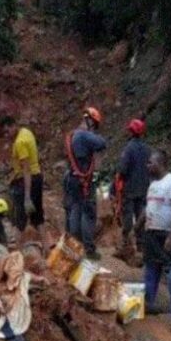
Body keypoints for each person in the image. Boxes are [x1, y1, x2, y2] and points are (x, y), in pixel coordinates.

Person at [135, 150, 171, 333]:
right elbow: (148, 207)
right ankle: (148, 303)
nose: (147, 165)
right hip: (152, 236)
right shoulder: (153, 184)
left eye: (150, 162)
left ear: (161, 163)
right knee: (151, 272)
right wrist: (137, 226)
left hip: (168, 236)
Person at [64, 107, 107, 260]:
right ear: (89, 121)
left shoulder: (73, 135)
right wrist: (93, 134)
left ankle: (74, 245)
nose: (94, 128)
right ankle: (88, 249)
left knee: (75, 210)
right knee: (88, 213)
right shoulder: (84, 135)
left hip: (73, 179)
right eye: (94, 125)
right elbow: (102, 143)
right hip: (83, 182)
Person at [0, 117, 44, 232]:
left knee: (20, 220)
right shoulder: (26, 132)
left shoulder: (19, 143)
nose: (6, 135)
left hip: (27, 182)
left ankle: (17, 249)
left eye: (7, 131)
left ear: (13, 126)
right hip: (37, 177)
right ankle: (46, 247)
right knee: (38, 217)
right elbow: (22, 166)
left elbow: (26, 169)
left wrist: (27, 196)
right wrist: (11, 178)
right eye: (4, 133)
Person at [115, 118, 151, 254]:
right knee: (141, 215)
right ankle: (141, 244)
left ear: (131, 132)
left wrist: (120, 179)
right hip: (144, 188)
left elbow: (122, 169)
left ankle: (126, 243)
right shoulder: (148, 149)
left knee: (127, 215)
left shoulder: (129, 148)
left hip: (129, 188)